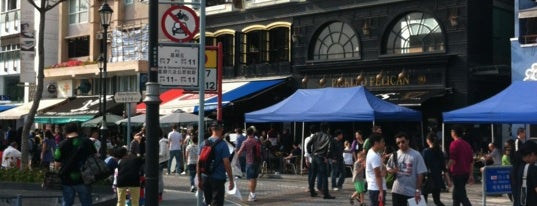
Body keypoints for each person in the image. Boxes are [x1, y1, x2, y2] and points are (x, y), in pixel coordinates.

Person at [54, 123, 96, 206]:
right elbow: (95, 156)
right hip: (85, 178)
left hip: (67, 179)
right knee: (86, 202)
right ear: (77, 130)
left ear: (65, 132)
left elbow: (57, 164)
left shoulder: (61, 145)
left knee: (67, 202)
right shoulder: (87, 142)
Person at [197, 122, 234, 206]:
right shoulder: (223, 144)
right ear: (221, 130)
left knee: (207, 202)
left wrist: (199, 179)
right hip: (218, 178)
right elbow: (227, 164)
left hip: (205, 177)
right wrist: (231, 180)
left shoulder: (204, 143)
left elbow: (199, 162)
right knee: (217, 203)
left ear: (211, 129)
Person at [386, 132, 427, 206]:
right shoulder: (395, 155)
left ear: (408, 141)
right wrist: (392, 170)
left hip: (412, 191)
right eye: (398, 143)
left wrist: (418, 190)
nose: (400, 144)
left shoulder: (416, 155)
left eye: (403, 141)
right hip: (397, 190)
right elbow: (388, 168)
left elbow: (420, 174)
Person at [446, 125, 474, 206]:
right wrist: (471, 175)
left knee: (462, 196)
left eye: (451, 131)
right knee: (456, 196)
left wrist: (445, 168)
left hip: (457, 174)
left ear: (454, 133)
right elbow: (471, 162)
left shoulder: (454, 144)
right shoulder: (467, 145)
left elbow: (452, 160)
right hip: (465, 173)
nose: (451, 133)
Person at [307, 123, 336, 199]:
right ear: (327, 129)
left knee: (313, 175)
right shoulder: (328, 137)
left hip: (314, 157)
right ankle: (326, 194)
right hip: (322, 157)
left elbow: (308, 144)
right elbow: (329, 149)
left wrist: (311, 153)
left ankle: (312, 191)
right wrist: (327, 157)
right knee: (324, 176)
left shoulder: (315, 135)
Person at [422, 133, 449, 206]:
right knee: (437, 201)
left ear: (428, 140)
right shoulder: (440, 152)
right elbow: (444, 168)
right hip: (437, 179)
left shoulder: (426, 151)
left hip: (427, 179)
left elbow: (423, 166)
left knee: (423, 200)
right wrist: (448, 181)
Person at [237, 127, 261, 202]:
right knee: (254, 178)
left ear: (247, 133)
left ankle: (252, 195)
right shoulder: (257, 141)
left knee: (251, 179)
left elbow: (239, 153)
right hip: (257, 161)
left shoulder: (245, 142)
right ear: (253, 133)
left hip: (249, 161)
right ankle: (253, 194)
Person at [365, 133, 387, 206]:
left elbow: (381, 167)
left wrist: (384, 168)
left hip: (374, 187)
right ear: (376, 143)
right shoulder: (374, 156)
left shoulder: (373, 151)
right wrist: (381, 191)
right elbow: (378, 175)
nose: (384, 143)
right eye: (382, 142)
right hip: (376, 188)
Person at [304, 125, 319, 196]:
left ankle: (310, 187)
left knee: (311, 174)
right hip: (318, 158)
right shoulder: (319, 138)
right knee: (318, 174)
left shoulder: (307, 139)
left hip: (310, 158)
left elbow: (306, 150)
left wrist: (306, 159)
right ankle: (318, 187)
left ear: (310, 131)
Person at [158, 128, 169, 200]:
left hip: (160, 161)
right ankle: (159, 193)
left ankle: (159, 194)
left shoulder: (162, 142)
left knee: (159, 179)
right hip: (160, 161)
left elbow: (162, 153)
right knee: (159, 178)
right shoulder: (162, 141)